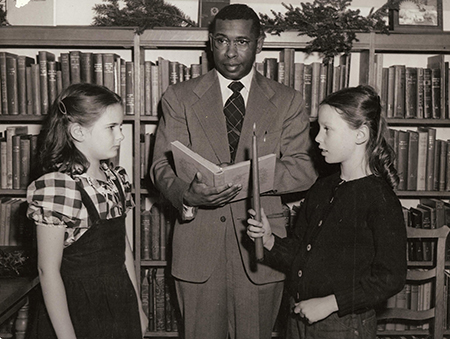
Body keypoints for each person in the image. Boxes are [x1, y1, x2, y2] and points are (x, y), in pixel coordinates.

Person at [150, 3, 317, 339]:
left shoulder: (288, 100)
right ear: (210, 43)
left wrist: (245, 177)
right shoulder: (179, 97)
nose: (230, 52)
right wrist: (187, 194)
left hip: (262, 249)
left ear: (259, 44)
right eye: (222, 41)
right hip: (198, 248)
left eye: (242, 42)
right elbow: (160, 167)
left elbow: (304, 169)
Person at [247, 85, 407, 339]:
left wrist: (331, 303)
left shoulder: (379, 199)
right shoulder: (322, 188)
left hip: (343, 325)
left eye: (327, 129)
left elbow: (391, 278)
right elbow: (300, 255)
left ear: (360, 135)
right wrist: (268, 240)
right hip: (299, 318)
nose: (318, 138)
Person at [26, 83, 148, 339]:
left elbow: (123, 248)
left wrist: (137, 306)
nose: (121, 136)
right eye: (111, 128)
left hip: (118, 304)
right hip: (74, 312)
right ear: (79, 132)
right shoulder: (58, 187)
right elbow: (47, 271)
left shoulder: (115, 179)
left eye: (121, 126)